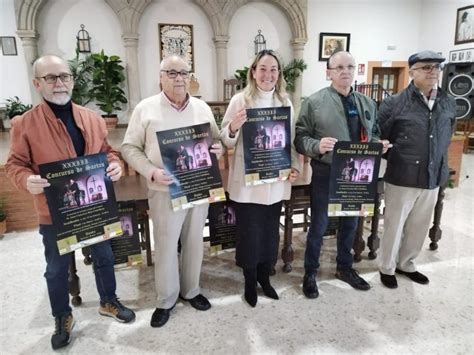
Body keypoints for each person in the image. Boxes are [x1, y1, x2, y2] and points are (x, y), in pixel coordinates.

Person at [5, 55, 135, 350]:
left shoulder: (91, 118)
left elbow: (106, 151)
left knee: (103, 256)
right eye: (50, 78)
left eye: (64, 76)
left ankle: (108, 301)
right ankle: (62, 316)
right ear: (37, 84)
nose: (59, 82)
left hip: (94, 206)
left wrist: (115, 164)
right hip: (55, 213)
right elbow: (15, 164)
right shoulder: (25, 124)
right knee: (56, 268)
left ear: (72, 80)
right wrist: (25, 180)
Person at [121, 55, 223, 327]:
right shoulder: (145, 108)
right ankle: (165, 300)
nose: (179, 78)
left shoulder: (202, 107)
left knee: (193, 241)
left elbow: (215, 141)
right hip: (164, 189)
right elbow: (129, 148)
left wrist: (218, 149)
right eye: (172, 73)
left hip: (198, 187)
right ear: (161, 77)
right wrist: (151, 171)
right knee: (166, 245)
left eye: (184, 73)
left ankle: (191, 291)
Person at [294, 51, 391, 299]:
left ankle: (344, 268)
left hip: (359, 174)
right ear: (329, 72)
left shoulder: (367, 103)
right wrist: (317, 145)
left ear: (355, 70)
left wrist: (379, 144)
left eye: (350, 66)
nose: (345, 71)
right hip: (327, 172)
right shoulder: (314, 103)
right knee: (319, 225)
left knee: (351, 223)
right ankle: (310, 272)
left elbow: (374, 134)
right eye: (339, 67)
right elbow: (300, 138)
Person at [220, 49, 301, 307]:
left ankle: (265, 277)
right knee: (249, 232)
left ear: (279, 74)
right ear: (253, 72)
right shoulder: (240, 100)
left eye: (273, 69)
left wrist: (295, 164)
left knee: (269, 233)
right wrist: (233, 126)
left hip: (276, 179)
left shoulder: (285, 102)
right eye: (263, 69)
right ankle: (249, 279)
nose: (268, 74)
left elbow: (290, 140)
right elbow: (224, 138)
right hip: (248, 182)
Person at [377, 51, 456, 289]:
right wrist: (401, 156)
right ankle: (387, 267)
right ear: (412, 72)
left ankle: (407, 263)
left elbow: (447, 135)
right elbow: (381, 136)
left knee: (419, 224)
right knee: (394, 224)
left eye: (436, 68)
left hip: (432, 176)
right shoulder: (395, 102)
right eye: (426, 67)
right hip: (402, 176)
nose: (433, 72)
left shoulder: (448, 102)